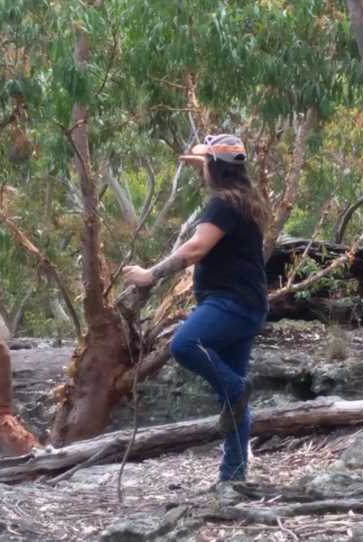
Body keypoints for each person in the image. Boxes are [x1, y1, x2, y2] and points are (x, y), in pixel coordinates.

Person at [122, 134, 269, 482]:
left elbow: (195, 249)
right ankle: (232, 477)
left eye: (204, 164)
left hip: (231, 303)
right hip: (248, 305)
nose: (201, 170)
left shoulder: (223, 204)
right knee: (231, 400)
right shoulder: (244, 201)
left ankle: (236, 390)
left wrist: (149, 275)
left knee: (185, 345)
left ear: (214, 168)